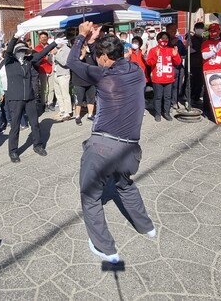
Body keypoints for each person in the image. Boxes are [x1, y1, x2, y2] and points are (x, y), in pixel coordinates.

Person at [66, 21, 155, 264]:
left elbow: (73, 63)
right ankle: (147, 227)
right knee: (125, 185)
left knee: (91, 196)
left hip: (102, 147)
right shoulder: (136, 70)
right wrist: (96, 40)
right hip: (130, 150)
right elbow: (104, 61)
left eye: (99, 56)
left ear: (105, 57)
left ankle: (106, 249)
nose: (97, 60)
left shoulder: (103, 75)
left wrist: (81, 37)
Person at [3, 30, 59, 163]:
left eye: (23, 51)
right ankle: (13, 151)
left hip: (29, 97)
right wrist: (15, 37)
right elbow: (9, 51)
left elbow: (40, 54)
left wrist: (54, 43)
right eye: (19, 51)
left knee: (34, 123)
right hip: (15, 98)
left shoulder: (28, 61)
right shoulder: (9, 62)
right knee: (15, 126)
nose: (22, 53)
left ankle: (38, 145)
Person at [146, 31, 182, 122]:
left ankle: (166, 113)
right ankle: (157, 113)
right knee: (158, 97)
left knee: (167, 97)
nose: (164, 40)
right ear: (158, 40)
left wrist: (175, 55)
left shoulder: (171, 49)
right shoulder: (153, 50)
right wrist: (156, 56)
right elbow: (149, 63)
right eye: (162, 38)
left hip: (169, 78)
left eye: (166, 38)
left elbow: (178, 62)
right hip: (157, 78)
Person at [71, 42, 96, 126]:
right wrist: (82, 56)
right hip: (78, 81)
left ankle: (90, 114)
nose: (84, 48)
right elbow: (74, 64)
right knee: (78, 100)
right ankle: (77, 116)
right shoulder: (74, 55)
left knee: (91, 98)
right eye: (83, 46)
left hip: (90, 81)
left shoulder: (91, 54)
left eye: (85, 46)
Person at [166, 23, 187, 109]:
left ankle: (175, 101)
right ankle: (169, 102)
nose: (173, 31)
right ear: (167, 30)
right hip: (169, 67)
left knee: (178, 85)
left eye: (175, 30)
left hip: (179, 67)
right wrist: (170, 45)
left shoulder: (179, 41)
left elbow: (184, 54)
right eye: (171, 29)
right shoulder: (164, 41)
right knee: (169, 86)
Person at [34, 31, 56, 111]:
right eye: (42, 38)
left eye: (45, 37)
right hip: (42, 69)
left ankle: (50, 102)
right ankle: (44, 104)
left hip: (51, 69)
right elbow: (36, 59)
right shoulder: (37, 48)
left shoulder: (51, 47)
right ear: (39, 39)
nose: (44, 39)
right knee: (44, 88)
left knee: (51, 88)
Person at [51, 38, 72, 121]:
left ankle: (68, 112)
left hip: (63, 73)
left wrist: (56, 55)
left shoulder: (67, 50)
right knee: (58, 94)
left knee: (65, 93)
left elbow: (64, 62)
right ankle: (62, 110)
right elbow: (52, 61)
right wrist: (51, 55)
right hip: (56, 73)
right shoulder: (57, 49)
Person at [188, 22, 205, 106]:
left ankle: (196, 98)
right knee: (192, 82)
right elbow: (189, 50)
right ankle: (190, 98)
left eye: (201, 28)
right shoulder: (191, 39)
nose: (199, 30)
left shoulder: (204, 39)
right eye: (198, 28)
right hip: (193, 64)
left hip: (202, 63)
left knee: (200, 82)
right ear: (194, 29)